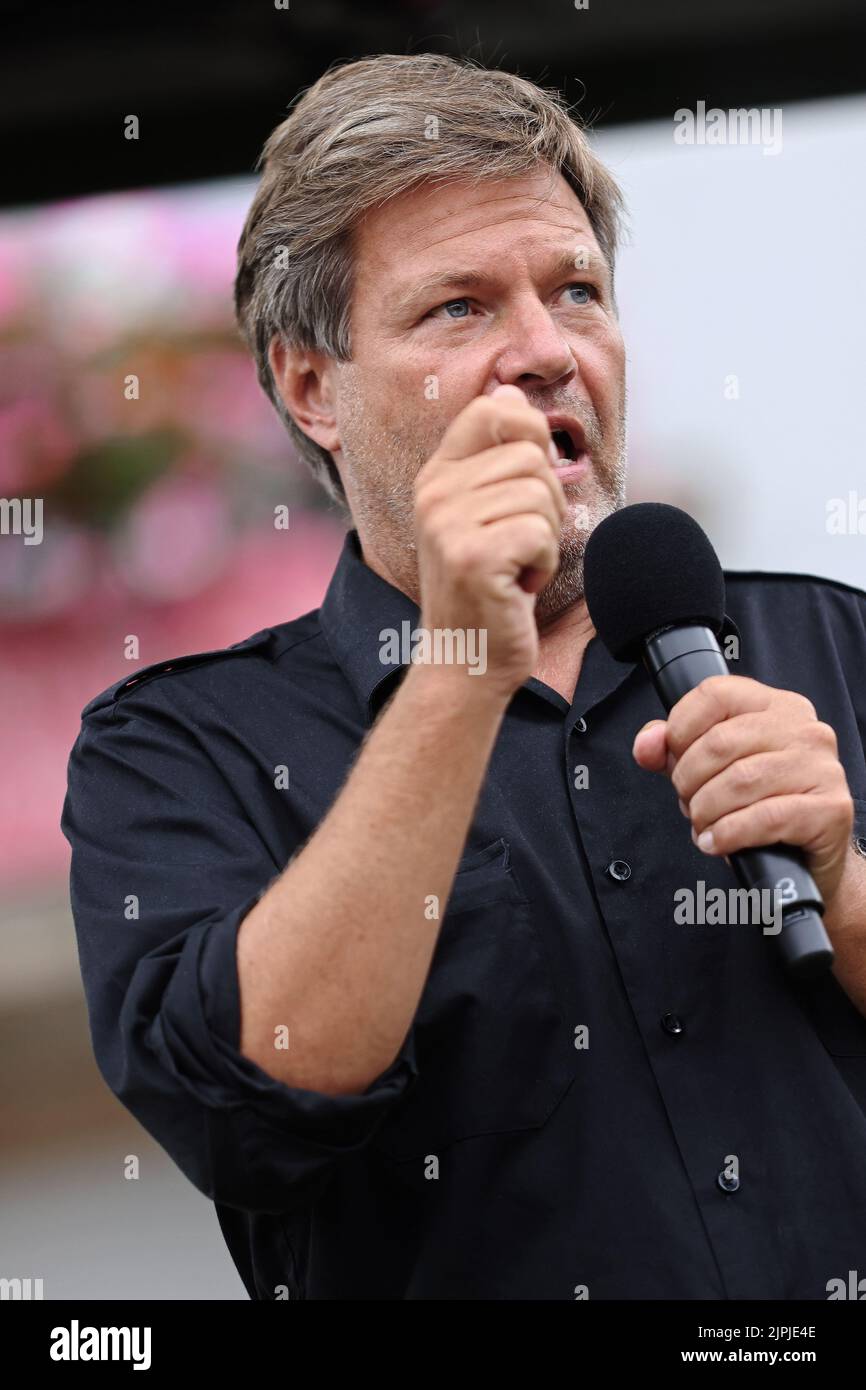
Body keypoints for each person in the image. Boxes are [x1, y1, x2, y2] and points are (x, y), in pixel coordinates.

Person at [62, 53, 866, 1301]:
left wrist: (845, 885)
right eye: (459, 309)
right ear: (310, 386)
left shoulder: (828, 645)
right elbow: (249, 1107)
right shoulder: (179, 747)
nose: (545, 349)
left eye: (576, 291)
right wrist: (452, 673)